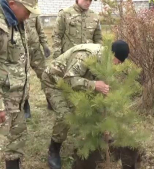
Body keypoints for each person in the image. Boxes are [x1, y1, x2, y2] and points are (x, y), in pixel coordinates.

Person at [42, 41, 137, 169]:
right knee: (65, 116)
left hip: (80, 81)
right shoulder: (85, 56)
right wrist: (94, 85)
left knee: (92, 106)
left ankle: (95, 143)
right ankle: (54, 150)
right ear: (112, 54)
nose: (118, 65)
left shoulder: (105, 61)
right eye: (118, 61)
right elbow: (69, 79)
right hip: (55, 81)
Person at [0, 0, 40, 168]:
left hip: (15, 100)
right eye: (27, 10)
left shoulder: (14, 21)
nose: (29, 15)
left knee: (15, 143)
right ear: (12, 3)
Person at [24, 16, 51, 118]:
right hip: (21, 50)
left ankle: (51, 100)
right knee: (23, 79)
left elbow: (39, 29)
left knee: (45, 75)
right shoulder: (15, 7)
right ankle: (25, 105)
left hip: (35, 50)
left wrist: (44, 45)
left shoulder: (32, 11)